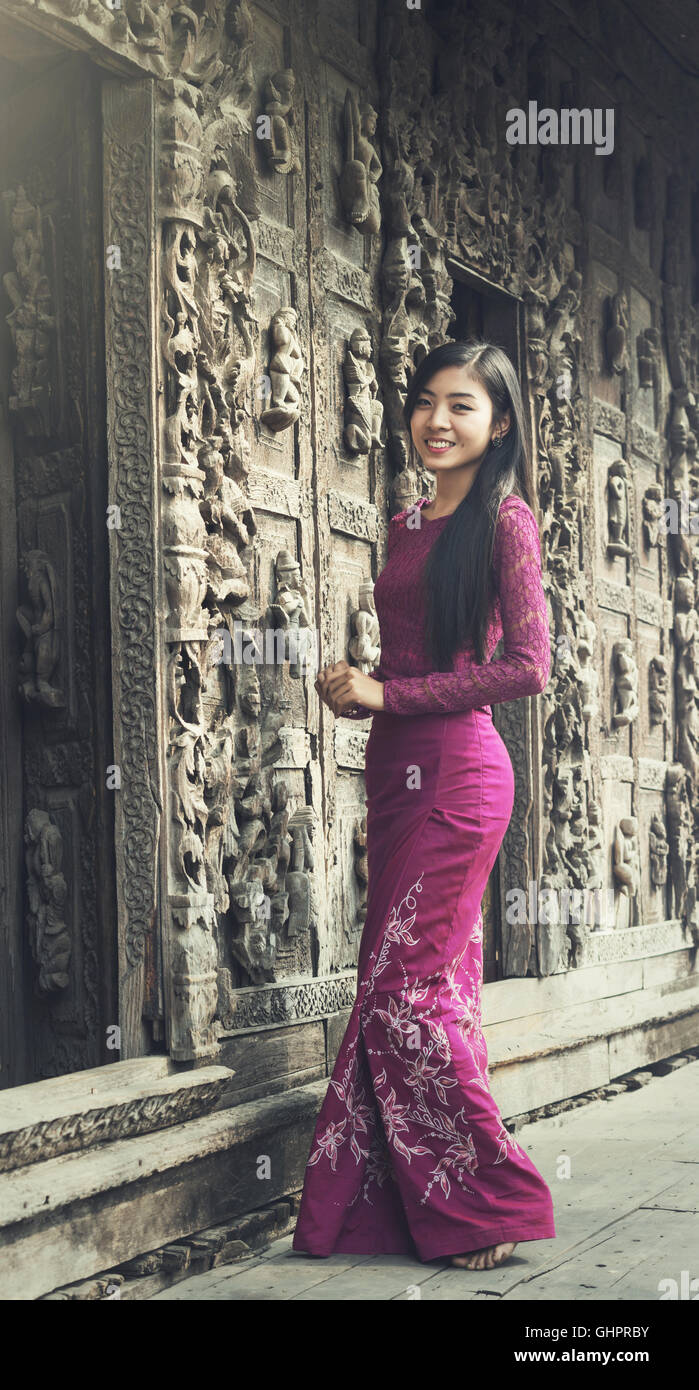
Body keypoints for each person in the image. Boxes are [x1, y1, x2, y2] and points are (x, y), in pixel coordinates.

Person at [292, 341, 556, 1272]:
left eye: (462, 405)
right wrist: (359, 691)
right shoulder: (408, 522)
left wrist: (387, 696)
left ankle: (488, 1204)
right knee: (411, 986)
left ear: (500, 423)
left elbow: (528, 666)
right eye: (424, 402)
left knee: (405, 991)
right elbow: (408, 658)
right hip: (398, 772)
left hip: (458, 774)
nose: (436, 421)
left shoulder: (505, 522)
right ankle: (394, 1211)